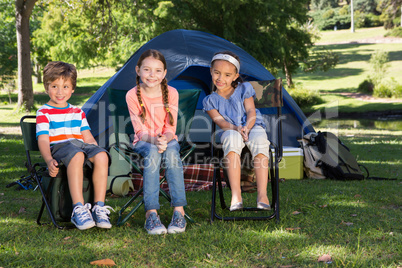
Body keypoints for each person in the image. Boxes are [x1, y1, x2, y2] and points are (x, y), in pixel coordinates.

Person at [36, 61, 113, 230]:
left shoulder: (78, 112)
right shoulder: (44, 112)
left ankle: (98, 208)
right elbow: (43, 140)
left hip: (80, 145)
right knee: (77, 154)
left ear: (72, 89)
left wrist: (96, 150)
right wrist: (48, 160)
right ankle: (78, 209)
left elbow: (87, 137)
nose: (60, 92)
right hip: (60, 147)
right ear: (46, 87)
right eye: (54, 86)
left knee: (101, 155)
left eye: (65, 87)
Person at [126, 49, 187, 235]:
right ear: (138, 70)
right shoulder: (132, 95)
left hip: (167, 139)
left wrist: (164, 140)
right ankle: (151, 214)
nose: (152, 75)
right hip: (144, 141)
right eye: (147, 69)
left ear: (165, 73)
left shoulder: (172, 93)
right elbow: (139, 130)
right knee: (153, 152)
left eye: (158, 70)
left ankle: (179, 211)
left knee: (171, 152)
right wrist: (155, 141)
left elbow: (171, 128)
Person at [203, 51, 271, 211]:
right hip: (230, 129)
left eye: (227, 75)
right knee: (231, 140)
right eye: (217, 73)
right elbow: (220, 122)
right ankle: (236, 194)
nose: (221, 78)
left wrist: (247, 127)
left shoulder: (245, 88)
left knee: (260, 140)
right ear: (211, 71)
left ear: (235, 76)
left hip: (252, 125)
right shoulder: (210, 100)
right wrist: (236, 128)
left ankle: (262, 194)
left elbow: (251, 112)